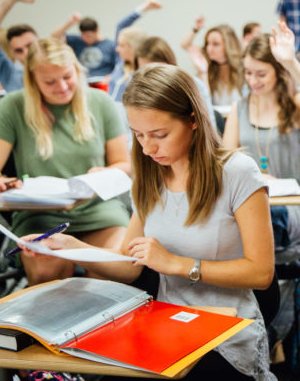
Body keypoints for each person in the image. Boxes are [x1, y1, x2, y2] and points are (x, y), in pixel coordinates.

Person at [25, 63, 277, 380]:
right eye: (138, 135)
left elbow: (261, 272)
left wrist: (176, 263)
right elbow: (129, 264)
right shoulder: (150, 177)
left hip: (227, 331)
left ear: (193, 120)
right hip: (166, 324)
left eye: (159, 134)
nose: (147, 148)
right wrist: (72, 249)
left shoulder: (238, 172)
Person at [0, 38, 130, 285]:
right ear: (33, 81)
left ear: (77, 70)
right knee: (47, 275)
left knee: (111, 268)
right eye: (50, 82)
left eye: (67, 76)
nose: (62, 87)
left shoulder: (100, 102)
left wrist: (105, 174)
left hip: (99, 209)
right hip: (39, 215)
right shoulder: (13, 106)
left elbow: (123, 163)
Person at [222, 23, 300, 264]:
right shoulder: (239, 108)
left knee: (266, 222)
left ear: (278, 72)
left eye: (261, 74)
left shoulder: (294, 104)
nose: (253, 81)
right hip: (248, 203)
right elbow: (226, 161)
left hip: (289, 206)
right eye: (248, 73)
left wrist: (291, 62)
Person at [134, 36, 214, 119]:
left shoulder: (195, 85)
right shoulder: (135, 93)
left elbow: (209, 125)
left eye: (157, 70)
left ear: (170, 63)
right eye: (145, 71)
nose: (152, 77)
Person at [108, 0, 163, 101]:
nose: (117, 49)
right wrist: (145, 7)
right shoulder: (121, 63)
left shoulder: (145, 73)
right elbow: (121, 26)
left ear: (133, 47)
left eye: (122, 45)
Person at [0, 0, 37, 92]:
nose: (26, 53)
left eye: (30, 45)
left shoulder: (61, 73)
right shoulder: (12, 76)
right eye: (19, 50)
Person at [181, 18, 244, 106]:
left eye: (216, 44)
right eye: (207, 43)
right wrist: (195, 29)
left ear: (229, 45)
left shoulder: (243, 68)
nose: (209, 49)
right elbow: (185, 45)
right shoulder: (205, 68)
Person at [51, 14, 117, 80]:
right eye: (83, 35)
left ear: (96, 31)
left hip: (102, 81)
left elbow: (119, 67)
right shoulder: (78, 41)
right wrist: (70, 22)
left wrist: (110, 77)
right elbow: (54, 37)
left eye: (89, 36)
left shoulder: (111, 45)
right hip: (83, 80)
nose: (86, 39)